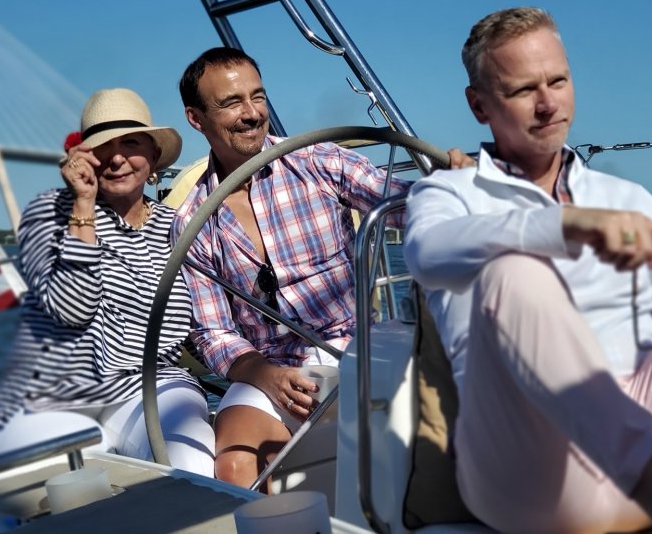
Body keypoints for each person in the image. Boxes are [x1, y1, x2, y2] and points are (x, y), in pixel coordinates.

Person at [403, 7, 652, 533]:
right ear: (478, 105)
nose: (549, 104)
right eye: (524, 89)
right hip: (530, 478)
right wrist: (565, 225)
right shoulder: (447, 194)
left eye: (558, 81)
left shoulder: (627, 199)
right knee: (514, 275)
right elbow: (426, 253)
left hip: (648, 424)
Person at [172, 46, 471, 489]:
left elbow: (404, 206)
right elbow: (213, 331)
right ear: (196, 118)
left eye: (258, 96)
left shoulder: (319, 162)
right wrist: (267, 377)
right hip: (272, 366)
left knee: (431, 437)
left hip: (360, 349)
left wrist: (456, 190)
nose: (253, 113)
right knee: (234, 466)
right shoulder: (193, 220)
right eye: (232, 102)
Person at [0, 88, 214, 477]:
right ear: (82, 157)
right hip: (56, 389)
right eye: (103, 146)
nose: (118, 156)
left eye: (131, 142)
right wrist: (84, 206)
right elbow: (71, 310)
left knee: (189, 468)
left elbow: (210, 318)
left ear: (154, 155)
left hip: (152, 386)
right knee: (53, 477)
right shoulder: (50, 212)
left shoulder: (179, 228)